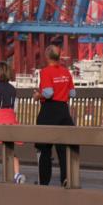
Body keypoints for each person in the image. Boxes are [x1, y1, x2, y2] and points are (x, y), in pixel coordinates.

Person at [34, 45, 76, 187]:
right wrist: (62, 93)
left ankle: (44, 181)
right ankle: (66, 178)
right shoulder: (66, 71)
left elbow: (48, 93)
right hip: (63, 111)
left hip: (49, 110)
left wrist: (38, 96)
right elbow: (72, 93)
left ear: (47, 56)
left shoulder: (45, 72)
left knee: (44, 148)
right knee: (64, 148)